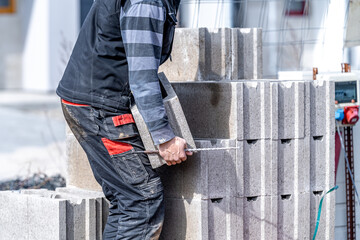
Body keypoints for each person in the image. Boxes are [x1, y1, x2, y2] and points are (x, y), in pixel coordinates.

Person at [56, 0, 191, 238]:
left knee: (127, 198)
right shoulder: (147, 2)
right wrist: (164, 137)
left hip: (92, 99)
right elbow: (142, 76)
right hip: (99, 107)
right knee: (142, 199)